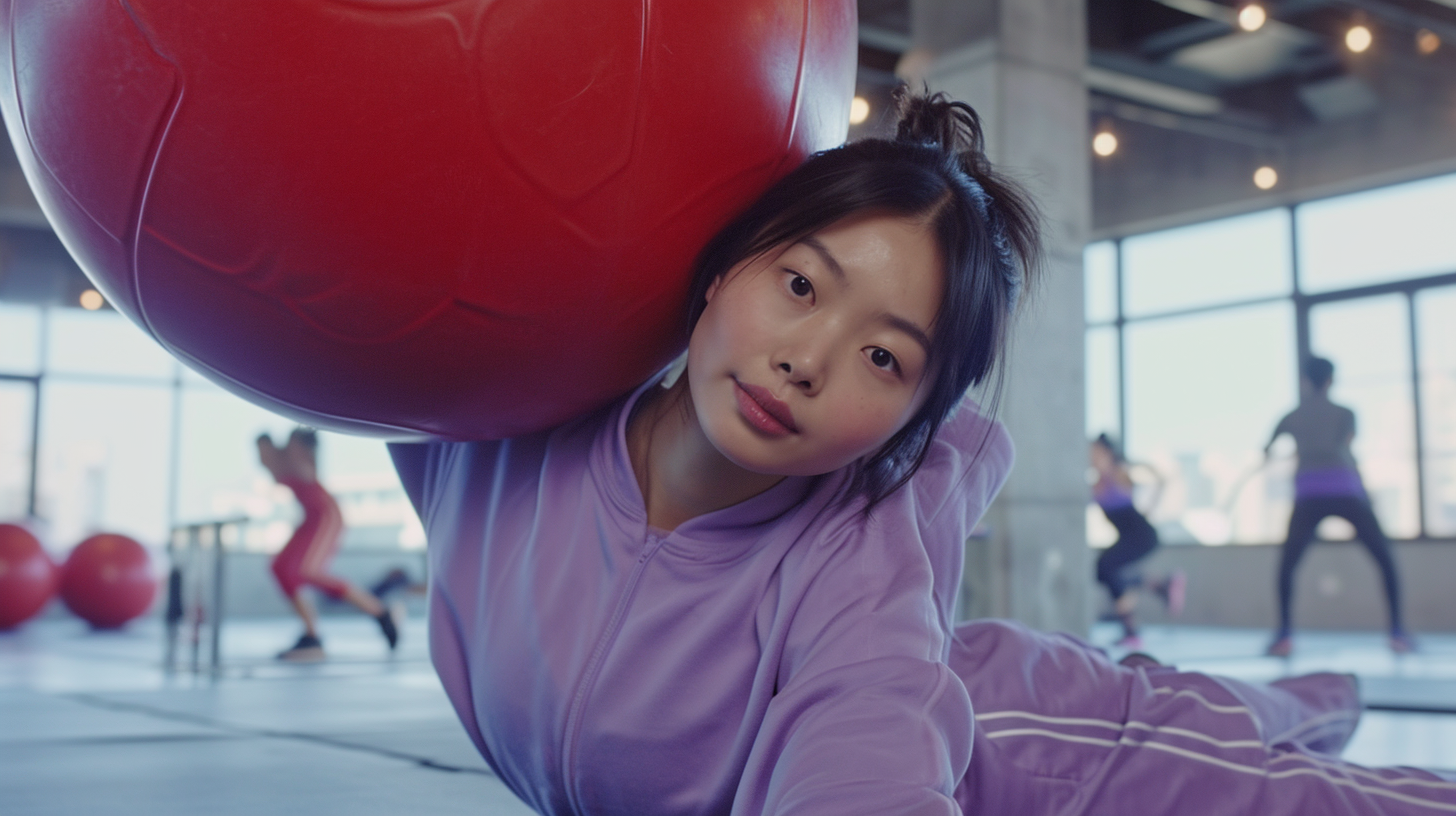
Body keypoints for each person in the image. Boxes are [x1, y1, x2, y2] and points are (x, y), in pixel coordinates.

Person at [390, 92, 1455, 814]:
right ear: (723, 271)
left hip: (1017, 736)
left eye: (883, 358)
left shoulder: (855, 564)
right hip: (994, 669)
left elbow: (868, 742)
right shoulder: (496, 431)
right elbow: (348, 300)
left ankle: (1305, 704)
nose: (806, 360)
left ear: (913, 419)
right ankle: (1306, 696)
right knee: (1200, 703)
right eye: (800, 286)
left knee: (1270, 789)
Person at [1264, 357, 1412, 658]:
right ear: (1331, 380)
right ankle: (1397, 632)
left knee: (1287, 565)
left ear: (1305, 381)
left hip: (1308, 493)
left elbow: (1268, 449)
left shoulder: (1290, 416)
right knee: (1384, 557)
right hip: (1345, 487)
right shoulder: (1346, 413)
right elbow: (1346, 447)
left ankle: (1284, 636)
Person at [257, 428, 399, 660]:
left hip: (325, 515)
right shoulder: (279, 463)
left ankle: (380, 612)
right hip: (310, 517)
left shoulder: (294, 459)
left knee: (307, 571)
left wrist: (289, 445)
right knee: (281, 567)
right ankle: (311, 636)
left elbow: (298, 457)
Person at [1090, 432, 1185, 648]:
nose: (1090, 456)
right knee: (1104, 571)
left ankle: (1133, 629)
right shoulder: (1097, 484)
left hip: (1143, 536)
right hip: (1130, 538)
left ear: (1106, 453)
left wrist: (1151, 508)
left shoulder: (1119, 473)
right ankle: (1161, 587)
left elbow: (1160, 478)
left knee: (1105, 567)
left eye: (1094, 451)